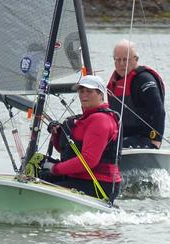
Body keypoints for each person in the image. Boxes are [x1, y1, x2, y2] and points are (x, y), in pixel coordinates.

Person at [37, 75, 122, 204]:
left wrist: (55, 168)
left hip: (98, 184)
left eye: (89, 91)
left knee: (39, 181)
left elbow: (89, 160)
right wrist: (56, 135)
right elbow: (65, 150)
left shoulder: (100, 120)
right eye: (81, 91)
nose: (84, 95)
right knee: (36, 164)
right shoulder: (83, 119)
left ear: (100, 94)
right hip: (79, 178)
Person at [107, 39, 166, 149]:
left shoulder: (144, 79)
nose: (121, 64)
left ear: (136, 59)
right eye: (117, 60)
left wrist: (156, 140)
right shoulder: (114, 82)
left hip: (143, 138)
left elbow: (159, 110)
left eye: (125, 60)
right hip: (122, 137)